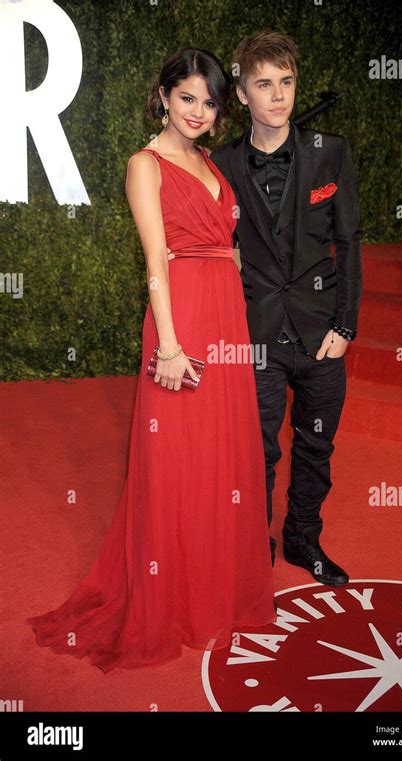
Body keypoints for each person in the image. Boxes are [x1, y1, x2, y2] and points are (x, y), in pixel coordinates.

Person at [26, 48, 276, 673]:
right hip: (182, 320)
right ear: (163, 95)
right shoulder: (146, 164)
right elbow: (156, 261)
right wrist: (168, 344)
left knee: (222, 456)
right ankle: (174, 597)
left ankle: (214, 588)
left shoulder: (210, 162)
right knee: (177, 460)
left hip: (225, 318)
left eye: (210, 101)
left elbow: (230, 249)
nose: (197, 111)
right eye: (186, 97)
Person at [211, 31, 362, 584]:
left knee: (316, 445)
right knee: (257, 454)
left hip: (322, 331)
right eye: (264, 84)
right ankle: (254, 545)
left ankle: (302, 539)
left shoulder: (331, 152)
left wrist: (345, 324)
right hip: (256, 335)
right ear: (244, 94)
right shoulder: (221, 163)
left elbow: (348, 242)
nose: (278, 96)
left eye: (287, 82)